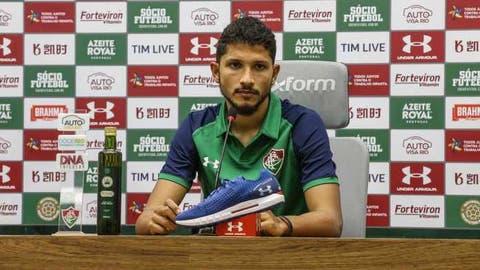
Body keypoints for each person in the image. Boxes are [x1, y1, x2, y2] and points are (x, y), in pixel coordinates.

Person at [135, 16, 342, 237]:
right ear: (216, 71)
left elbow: (330, 221)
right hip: (217, 256)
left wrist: (282, 224)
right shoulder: (196, 127)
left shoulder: (303, 124)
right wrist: (153, 220)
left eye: (259, 67)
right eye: (235, 65)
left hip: (285, 257)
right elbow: (146, 220)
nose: (247, 79)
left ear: (274, 74)